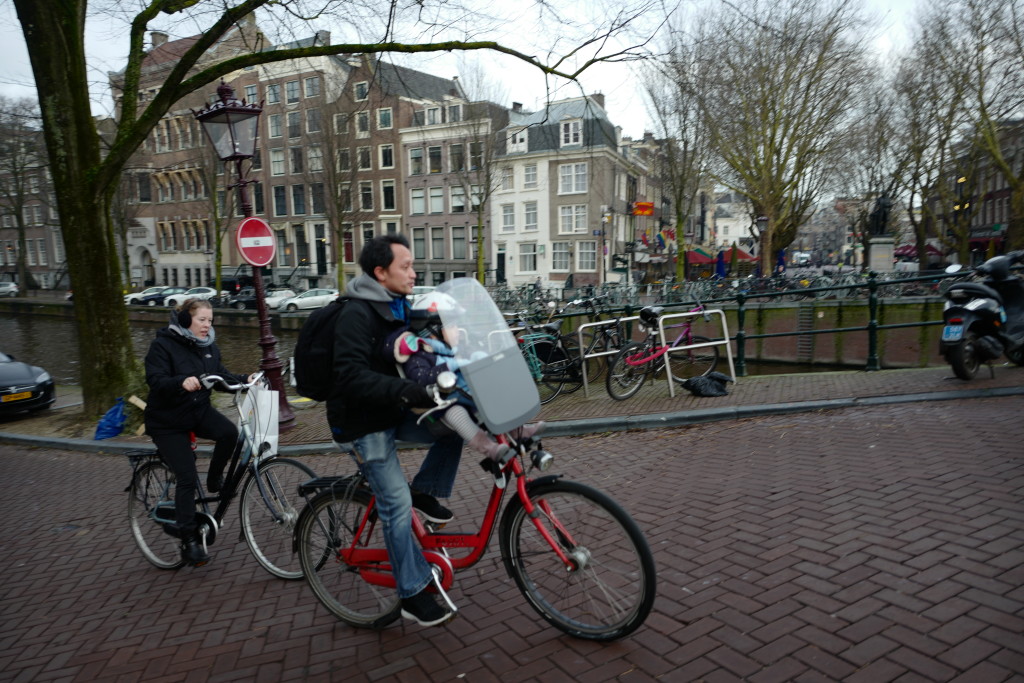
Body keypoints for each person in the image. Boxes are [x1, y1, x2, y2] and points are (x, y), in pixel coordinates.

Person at [326, 234, 464, 627]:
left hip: (390, 409)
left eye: (412, 265)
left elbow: (409, 353)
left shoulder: (396, 306)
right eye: (405, 266)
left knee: (453, 422)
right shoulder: (355, 313)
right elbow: (350, 376)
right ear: (380, 272)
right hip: (361, 422)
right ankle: (411, 593)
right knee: (395, 504)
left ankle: (425, 489)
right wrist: (410, 390)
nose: (413, 272)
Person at [144, 298, 255, 567]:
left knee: (229, 433)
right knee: (186, 475)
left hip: (197, 412)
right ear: (185, 321)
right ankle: (189, 541)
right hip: (168, 421)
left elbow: (220, 377)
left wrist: (246, 380)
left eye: (210, 320)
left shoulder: (209, 348)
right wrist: (180, 381)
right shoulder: (163, 345)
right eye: (202, 320)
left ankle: (215, 479)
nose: (208, 325)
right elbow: (155, 380)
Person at [385, 292, 544, 462]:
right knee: (455, 413)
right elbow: (420, 378)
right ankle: (488, 447)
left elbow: (474, 359)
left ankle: (519, 430)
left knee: (496, 394)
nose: (458, 330)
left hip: (470, 395)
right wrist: (453, 365)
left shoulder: (455, 348)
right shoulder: (421, 354)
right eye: (452, 326)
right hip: (442, 404)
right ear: (431, 331)